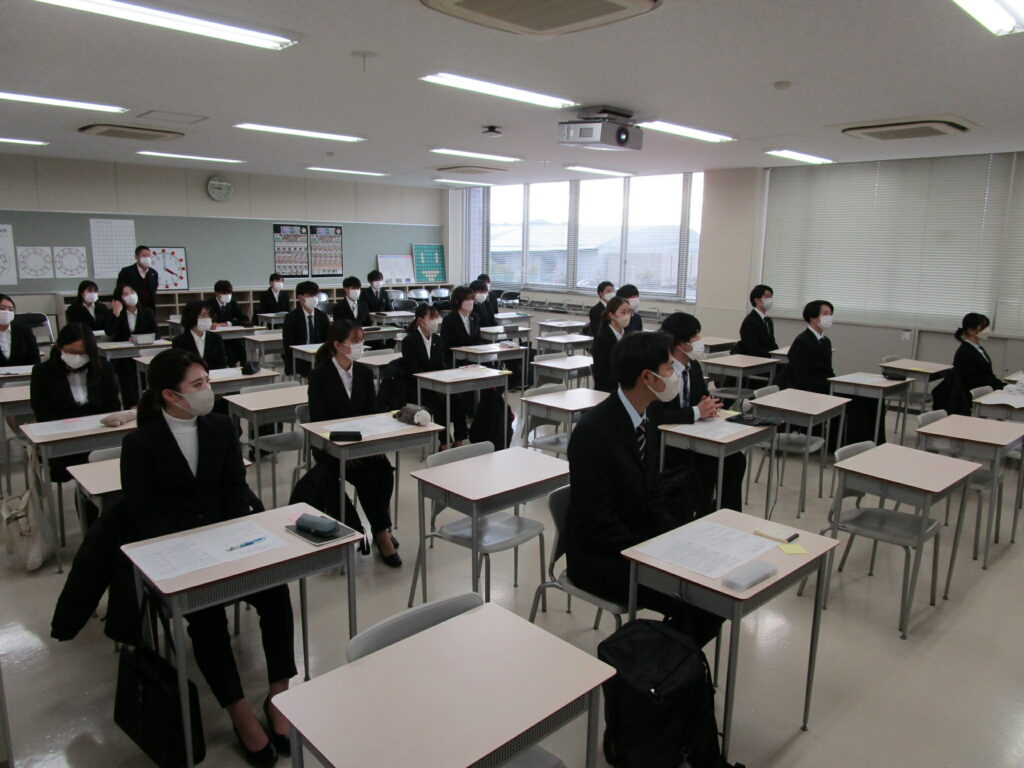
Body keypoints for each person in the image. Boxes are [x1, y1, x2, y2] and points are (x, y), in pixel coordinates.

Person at [121, 348, 295, 764]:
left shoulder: (219, 427)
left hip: (228, 542)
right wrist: (193, 548)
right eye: (197, 385)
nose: (207, 391)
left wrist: (241, 535)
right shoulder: (140, 443)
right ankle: (238, 710)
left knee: (276, 594)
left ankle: (279, 693)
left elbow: (234, 487)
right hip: (181, 554)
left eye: (207, 381)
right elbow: (143, 515)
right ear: (170, 395)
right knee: (207, 618)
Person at [566, 331, 724, 647]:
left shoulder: (645, 415)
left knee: (714, 594)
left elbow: (650, 492)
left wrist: (675, 537)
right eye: (668, 368)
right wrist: (654, 551)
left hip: (638, 540)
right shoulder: (592, 433)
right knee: (703, 606)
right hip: (601, 557)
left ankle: (666, 661)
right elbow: (599, 523)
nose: (673, 375)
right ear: (647, 377)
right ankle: (654, 667)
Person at [307, 320, 400, 566]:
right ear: (338, 345)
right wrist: (342, 450)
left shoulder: (364, 373)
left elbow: (371, 414)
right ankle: (382, 534)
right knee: (366, 478)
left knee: (385, 473)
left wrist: (372, 445)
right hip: (330, 448)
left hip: (362, 444)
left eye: (361, 340)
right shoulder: (319, 376)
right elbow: (318, 421)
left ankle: (380, 526)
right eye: (355, 341)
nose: (360, 345)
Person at [653, 312, 745, 511]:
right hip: (668, 441)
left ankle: (727, 513)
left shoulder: (693, 366)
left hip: (695, 432)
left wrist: (707, 404)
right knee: (707, 465)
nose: (699, 340)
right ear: (680, 344)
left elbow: (702, 397)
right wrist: (696, 411)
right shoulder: (661, 370)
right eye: (695, 336)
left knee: (736, 459)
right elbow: (656, 415)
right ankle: (701, 513)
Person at [31, 323, 120, 526]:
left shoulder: (102, 367)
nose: (78, 357)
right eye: (71, 352)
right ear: (59, 347)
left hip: (99, 437)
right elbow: (43, 414)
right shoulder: (43, 372)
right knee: (87, 478)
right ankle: (92, 527)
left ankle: (107, 524)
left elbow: (113, 405)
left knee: (112, 473)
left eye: (83, 353)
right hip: (64, 442)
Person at [783, 300, 878, 446]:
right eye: (825, 313)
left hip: (825, 384)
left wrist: (838, 383)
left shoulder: (825, 341)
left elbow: (828, 371)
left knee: (869, 399)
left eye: (830, 314)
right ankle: (845, 443)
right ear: (813, 317)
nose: (829, 317)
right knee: (857, 401)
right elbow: (802, 377)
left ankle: (868, 442)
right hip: (810, 388)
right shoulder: (802, 341)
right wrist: (830, 386)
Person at [402, 304, 467, 449]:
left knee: (458, 399)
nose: (436, 320)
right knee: (439, 405)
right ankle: (444, 443)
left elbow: (441, 365)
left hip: (438, 384)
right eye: (432, 317)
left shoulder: (437, 339)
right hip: (418, 387)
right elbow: (414, 370)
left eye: (437, 316)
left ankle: (459, 440)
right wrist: (436, 387)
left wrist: (444, 382)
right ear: (420, 321)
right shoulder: (410, 341)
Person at [104, 284, 158, 407]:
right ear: (120, 298)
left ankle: (147, 404)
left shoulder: (147, 312)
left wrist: (139, 339)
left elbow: (156, 333)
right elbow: (109, 332)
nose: (131, 295)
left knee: (147, 373)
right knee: (127, 374)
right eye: (126, 294)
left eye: (132, 292)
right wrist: (116, 313)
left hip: (142, 351)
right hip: (123, 356)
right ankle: (131, 405)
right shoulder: (115, 313)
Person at [282, 281, 329, 378]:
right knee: (312, 373)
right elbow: (288, 345)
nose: (314, 298)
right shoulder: (291, 317)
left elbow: (328, 340)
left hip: (319, 356)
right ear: (300, 297)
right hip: (299, 358)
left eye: (316, 295)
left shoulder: (323, 316)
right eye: (310, 295)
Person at [953, 313, 1005, 393]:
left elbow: (988, 375)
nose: (987, 330)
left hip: (988, 388)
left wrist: (1003, 386)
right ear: (971, 330)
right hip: (976, 393)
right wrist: (1000, 387)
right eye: (983, 327)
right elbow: (974, 380)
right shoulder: (964, 353)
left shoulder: (978, 348)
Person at [591, 296, 633, 393]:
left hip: (627, 386)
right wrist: (623, 384)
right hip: (609, 388)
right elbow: (601, 372)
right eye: (623, 312)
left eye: (629, 312)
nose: (627, 316)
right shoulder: (601, 338)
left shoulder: (629, 336)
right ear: (611, 315)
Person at [172, 300, 227, 370]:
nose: (207, 318)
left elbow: (222, 365)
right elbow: (179, 368)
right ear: (192, 316)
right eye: (203, 315)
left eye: (209, 315)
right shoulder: (179, 341)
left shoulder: (216, 338)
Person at [207, 280, 250, 366]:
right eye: (224, 293)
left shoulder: (233, 303)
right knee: (228, 351)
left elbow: (244, 318)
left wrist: (229, 323)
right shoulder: (209, 304)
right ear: (216, 293)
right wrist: (212, 324)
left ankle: (244, 368)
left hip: (232, 336)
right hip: (216, 337)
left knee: (242, 348)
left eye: (229, 293)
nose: (227, 295)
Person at [440, 285, 482, 367]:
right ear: (457, 301)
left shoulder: (475, 317)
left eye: (472, 299)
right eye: (467, 299)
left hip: (474, 359)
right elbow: (446, 345)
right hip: (456, 360)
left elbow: (478, 340)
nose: (470, 302)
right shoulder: (449, 320)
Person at [735, 284, 777, 357]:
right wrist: (769, 357)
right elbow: (752, 348)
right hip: (755, 359)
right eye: (767, 296)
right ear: (757, 300)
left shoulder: (768, 320)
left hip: (768, 358)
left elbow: (772, 343)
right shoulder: (750, 321)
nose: (770, 300)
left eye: (771, 297)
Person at [114, 245, 159, 311]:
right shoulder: (126, 271)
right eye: (144, 255)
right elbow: (118, 291)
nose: (147, 258)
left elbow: (153, 291)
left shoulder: (154, 273)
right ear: (136, 257)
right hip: (131, 308)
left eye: (148, 255)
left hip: (149, 308)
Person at [0, 294, 40, 367]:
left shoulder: (24, 331)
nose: (7, 312)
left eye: (11, 309)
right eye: (2, 308)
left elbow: (35, 359)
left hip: (24, 373)